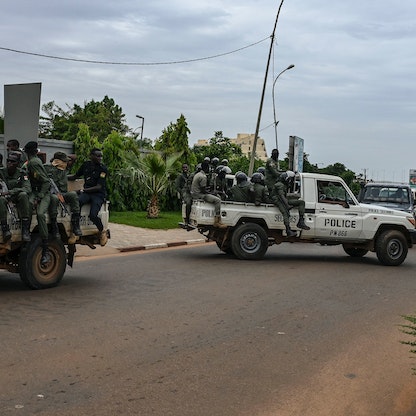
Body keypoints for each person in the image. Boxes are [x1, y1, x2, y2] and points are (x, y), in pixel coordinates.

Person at [68, 148, 108, 245]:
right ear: (92, 156)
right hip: (87, 193)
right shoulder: (86, 165)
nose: (100, 158)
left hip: (98, 194)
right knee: (77, 205)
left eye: (101, 156)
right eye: (98, 156)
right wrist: (62, 177)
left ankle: (102, 232)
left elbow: (99, 187)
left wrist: (82, 190)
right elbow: (75, 176)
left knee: (93, 215)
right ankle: (75, 231)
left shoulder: (103, 169)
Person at [23, 141, 53, 264]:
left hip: (44, 193)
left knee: (41, 214)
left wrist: (39, 196)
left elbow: (46, 182)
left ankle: (45, 250)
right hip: (34, 191)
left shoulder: (34, 163)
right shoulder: (29, 163)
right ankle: (26, 234)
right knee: (27, 206)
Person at [45, 151, 82, 237]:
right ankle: (54, 225)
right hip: (52, 194)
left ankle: (76, 224)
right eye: (64, 161)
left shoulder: (64, 170)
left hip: (63, 194)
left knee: (73, 194)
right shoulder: (48, 169)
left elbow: (74, 158)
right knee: (54, 198)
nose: (66, 163)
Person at [0, 151, 31, 242]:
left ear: (17, 163)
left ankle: (25, 230)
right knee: (1, 199)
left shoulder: (22, 173)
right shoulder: (1, 171)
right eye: (8, 161)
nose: (9, 163)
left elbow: (27, 188)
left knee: (23, 194)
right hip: (4, 196)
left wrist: (11, 191)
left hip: (16, 196)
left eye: (12, 162)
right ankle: (5, 229)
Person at [269, 170, 310, 237]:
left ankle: (301, 221)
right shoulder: (280, 185)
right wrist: (287, 205)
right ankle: (288, 230)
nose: (290, 181)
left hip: (281, 199)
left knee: (301, 202)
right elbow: (281, 196)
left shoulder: (282, 184)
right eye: (290, 179)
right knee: (285, 212)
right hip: (278, 200)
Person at [191, 161, 226, 228]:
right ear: (206, 168)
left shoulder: (197, 174)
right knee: (217, 200)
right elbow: (203, 191)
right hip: (200, 195)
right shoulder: (203, 176)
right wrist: (212, 193)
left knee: (215, 196)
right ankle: (217, 221)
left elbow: (202, 187)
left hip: (195, 193)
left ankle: (218, 220)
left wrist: (209, 190)